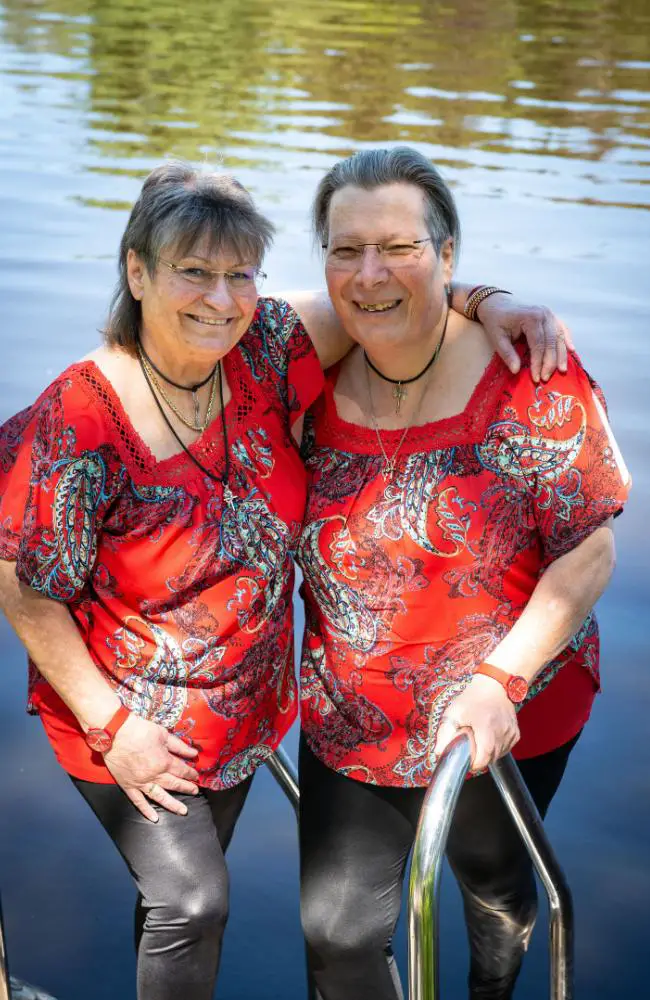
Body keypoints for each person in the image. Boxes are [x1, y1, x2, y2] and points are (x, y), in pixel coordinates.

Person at [0, 159, 568, 1000]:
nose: (221, 299)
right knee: (192, 900)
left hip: (248, 709)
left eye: (241, 275)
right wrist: (113, 725)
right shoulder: (81, 420)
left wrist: (495, 303)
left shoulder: (263, 348)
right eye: (193, 272)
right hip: (128, 713)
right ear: (136, 271)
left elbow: (387, 294)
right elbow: (25, 587)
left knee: (175, 903)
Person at [297, 147, 631, 1000]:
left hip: (499, 713)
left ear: (448, 255)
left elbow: (590, 549)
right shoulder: (301, 370)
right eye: (345, 250)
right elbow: (175, 341)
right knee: (336, 931)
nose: (369, 274)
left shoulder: (530, 377)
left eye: (398, 247)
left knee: (494, 895)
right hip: (352, 710)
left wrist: (499, 680)